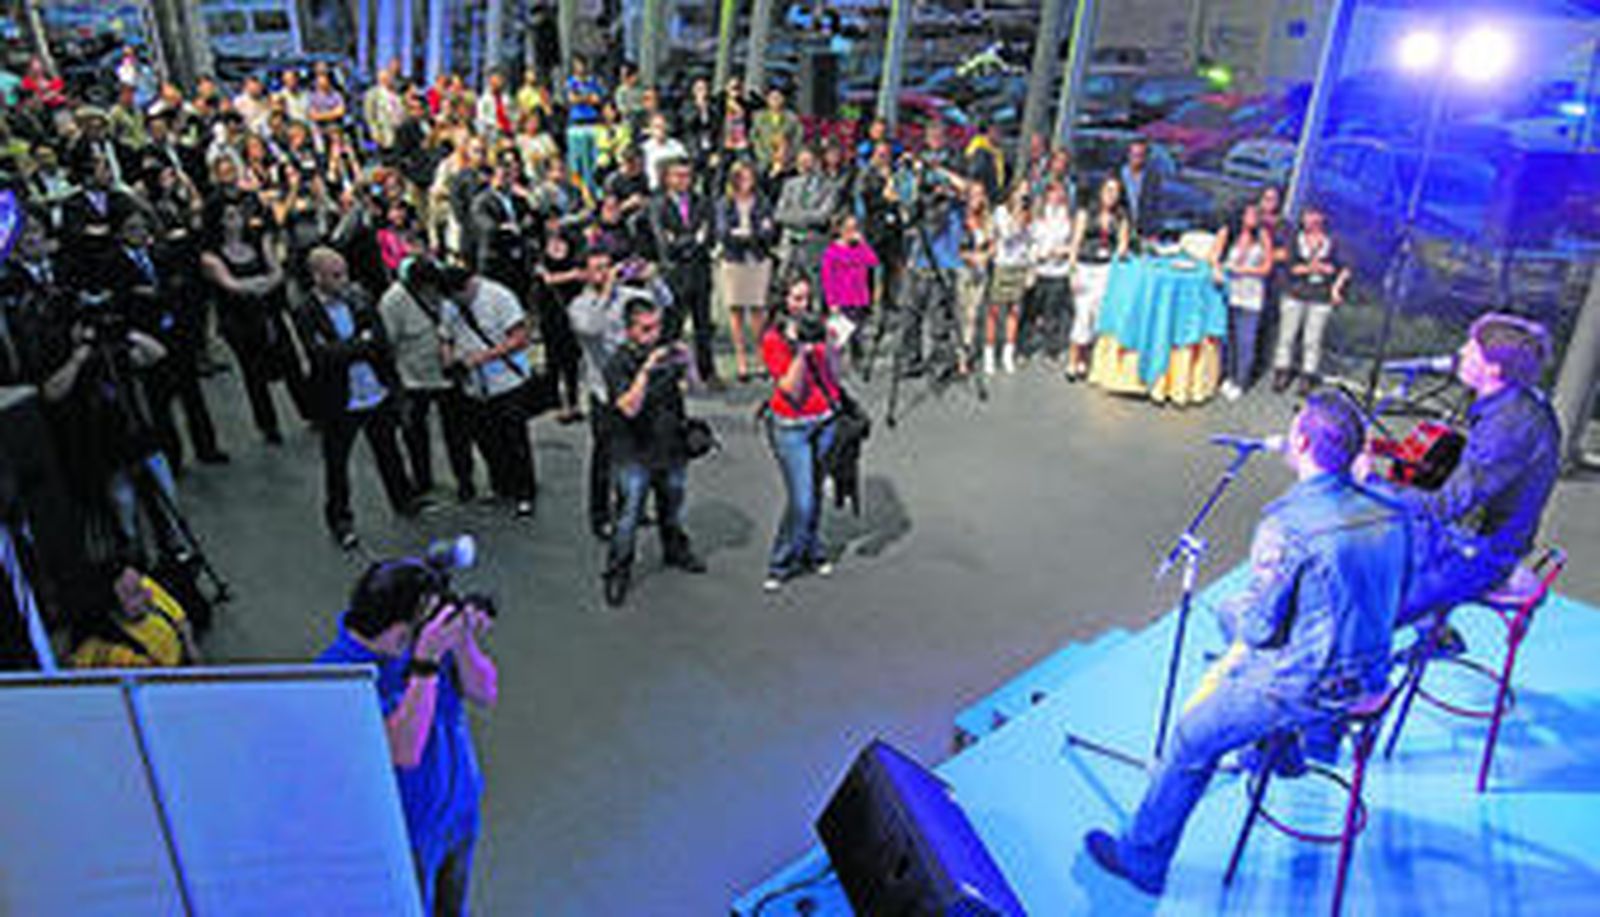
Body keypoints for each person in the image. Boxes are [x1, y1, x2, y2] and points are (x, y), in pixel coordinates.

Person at [1085, 389, 1411, 896]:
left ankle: (1142, 860)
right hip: (1370, 674)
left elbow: (1260, 628)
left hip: (1304, 686)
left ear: (1300, 442)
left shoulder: (1288, 523)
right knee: (1234, 622)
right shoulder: (1391, 509)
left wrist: (1242, 610)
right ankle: (1281, 751)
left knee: (1191, 738)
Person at [317, 559, 497, 916]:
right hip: (406, 836)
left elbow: (485, 691)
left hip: (458, 813)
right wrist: (426, 665)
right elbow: (403, 750)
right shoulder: (337, 678)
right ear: (401, 631)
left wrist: (461, 640)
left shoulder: (419, 640)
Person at [1387, 314, 1561, 628]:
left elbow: (1448, 506)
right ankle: (1431, 628)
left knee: (1371, 600)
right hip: (1483, 534)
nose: (1459, 354)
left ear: (1493, 370)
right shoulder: (1515, 403)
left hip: (1481, 551)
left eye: (1470, 349)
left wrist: (1369, 482)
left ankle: (1418, 630)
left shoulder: (1508, 425)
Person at [295, 248, 418, 549]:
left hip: (374, 390)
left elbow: (378, 340)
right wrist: (357, 345)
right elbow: (321, 356)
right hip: (339, 400)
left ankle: (402, 500)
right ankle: (340, 520)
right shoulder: (306, 311)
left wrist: (348, 348)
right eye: (336, 276)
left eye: (345, 273)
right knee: (337, 465)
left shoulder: (359, 297)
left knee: (389, 451)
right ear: (317, 277)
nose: (344, 281)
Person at [601, 297, 707, 607]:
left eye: (657, 327)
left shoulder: (668, 356)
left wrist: (688, 364)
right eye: (646, 329)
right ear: (629, 331)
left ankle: (675, 549)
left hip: (671, 445)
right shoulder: (618, 363)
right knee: (629, 514)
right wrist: (646, 371)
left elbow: (698, 389)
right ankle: (617, 571)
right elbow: (628, 408)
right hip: (633, 450)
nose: (654, 335)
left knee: (673, 503)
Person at [200, 196, 308, 445]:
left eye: (237, 214)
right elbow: (230, 284)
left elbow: (277, 272)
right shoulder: (210, 255)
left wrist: (257, 285)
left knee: (291, 361)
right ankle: (268, 426)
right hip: (238, 321)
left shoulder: (259, 239)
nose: (236, 220)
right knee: (254, 373)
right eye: (229, 216)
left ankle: (310, 410)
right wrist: (261, 283)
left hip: (268, 313)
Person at [760, 275, 842, 592]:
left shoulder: (816, 327)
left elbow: (834, 375)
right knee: (802, 500)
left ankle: (810, 550)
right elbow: (791, 390)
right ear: (782, 300)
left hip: (825, 419)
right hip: (790, 425)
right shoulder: (773, 338)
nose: (802, 305)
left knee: (815, 493)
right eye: (795, 298)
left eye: (806, 298)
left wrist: (832, 346)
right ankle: (781, 561)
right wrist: (801, 352)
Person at [439, 266, 539, 518]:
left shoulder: (499, 297)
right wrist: (449, 359)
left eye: (458, 297)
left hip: (506, 381)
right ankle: (502, 487)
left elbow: (520, 338)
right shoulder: (450, 303)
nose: (454, 303)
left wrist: (482, 358)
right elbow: (445, 337)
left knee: (515, 439)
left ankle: (525, 492)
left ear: (469, 285)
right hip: (473, 386)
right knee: (487, 439)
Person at [378, 257, 480, 503]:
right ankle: (422, 480)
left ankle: (465, 479)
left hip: (448, 375)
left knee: (458, 433)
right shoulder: (393, 302)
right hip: (413, 378)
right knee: (415, 434)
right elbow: (388, 344)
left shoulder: (444, 289)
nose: (433, 293)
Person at [567, 247, 638, 539]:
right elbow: (591, 328)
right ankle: (600, 516)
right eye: (597, 268)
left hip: (633, 388)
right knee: (605, 457)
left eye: (608, 267)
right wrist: (607, 292)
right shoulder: (580, 305)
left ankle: (630, 506)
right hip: (603, 391)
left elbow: (663, 304)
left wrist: (653, 280)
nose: (605, 273)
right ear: (585, 273)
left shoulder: (629, 296)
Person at [649, 158, 718, 384]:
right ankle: (671, 374)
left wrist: (682, 240)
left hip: (700, 271)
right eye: (678, 175)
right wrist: (692, 240)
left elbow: (710, 238)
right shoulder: (659, 205)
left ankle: (707, 372)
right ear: (667, 178)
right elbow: (664, 244)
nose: (683, 181)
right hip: (675, 273)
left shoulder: (703, 202)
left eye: (687, 175)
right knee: (672, 327)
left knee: (703, 326)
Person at [1270, 205, 1349, 395]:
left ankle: (1307, 375)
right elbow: (1290, 267)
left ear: (1322, 218)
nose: (1309, 220)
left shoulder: (1333, 242)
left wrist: (1336, 288)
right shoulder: (1295, 240)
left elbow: (1344, 268)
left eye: (1314, 215)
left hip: (1320, 297)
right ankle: (1282, 371)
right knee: (1287, 336)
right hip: (1294, 293)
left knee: (1312, 339)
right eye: (1306, 216)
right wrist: (1312, 268)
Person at [714, 160, 778, 382]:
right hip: (734, 261)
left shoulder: (762, 201)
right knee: (736, 311)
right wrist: (751, 235)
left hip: (758, 260)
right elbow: (723, 233)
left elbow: (769, 231)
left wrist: (748, 235)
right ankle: (741, 360)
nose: (746, 182)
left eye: (749, 178)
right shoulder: (725, 203)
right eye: (741, 178)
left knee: (759, 311)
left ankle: (761, 358)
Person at [70, 562, 202, 668]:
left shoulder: (144, 588)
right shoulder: (116, 652)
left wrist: (191, 648)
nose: (149, 594)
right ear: (113, 611)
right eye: (135, 594)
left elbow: (181, 620)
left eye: (141, 584)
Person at [1066, 177, 1130, 382]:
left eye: (1116, 192)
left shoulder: (1121, 217)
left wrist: (1120, 255)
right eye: (1108, 190)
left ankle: (1086, 360)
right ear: (1100, 191)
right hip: (1086, 267)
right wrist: (1072, 268)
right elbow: (1075, 241)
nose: (1112, 195)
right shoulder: (1086, 213)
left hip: (1106, 269)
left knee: (1097, 316)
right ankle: (1072, 361)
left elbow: (1122, 243)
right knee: (1082, 316)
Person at [1214, 202, 1275, 401]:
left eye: (1255, 214)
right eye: (1249, 213)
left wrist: (1245, 271)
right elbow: (1215, 256)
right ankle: (1229, 376)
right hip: (1229, 294)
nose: (1252, 217)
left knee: (1245, 342)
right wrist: (1218, 268)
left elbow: (1267, 267)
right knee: (1229, 340)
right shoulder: (1231, 234)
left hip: (1251, 298)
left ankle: (1241, 381)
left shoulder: (1263, 236)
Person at [819, 213, 879, 369]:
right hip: (843, 297)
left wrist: (863, 244)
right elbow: (827, 279)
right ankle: (837, 362)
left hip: (859, 297)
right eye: (848, 229)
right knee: (842, 333)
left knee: (858, 331)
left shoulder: (859, 248)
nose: (852, 232)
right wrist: (832, 301)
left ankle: (857, 360)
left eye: (855, 229)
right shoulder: (831, 252)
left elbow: (873, 261)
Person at [985, 184, 1033, 375]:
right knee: (994, 311)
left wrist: (1031, 267)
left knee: (1015, 311)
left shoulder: (1029, 213)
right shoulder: (1001, 212)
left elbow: (1030, 241)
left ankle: (1008, 353)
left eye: (1026, 193)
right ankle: (989, 353)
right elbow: (1007, 235)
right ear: (1012, 193)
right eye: (1020, 192)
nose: (1023, 197)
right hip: (1002, 265)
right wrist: (1016, 215)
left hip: (1019, 265)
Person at [1027, 180, 1076, 365]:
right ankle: (1027, 346)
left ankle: (1051, 350)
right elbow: (1030, 240)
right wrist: (1037, 254)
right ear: (1047, 194)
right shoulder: (1038, 215)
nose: (1056, 196)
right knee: (1033, 311)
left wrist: (1063, 251)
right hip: (1039, 269)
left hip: (1058, 271)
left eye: (1060, 192)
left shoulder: (1067, 217)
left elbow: (1073, 243)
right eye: (1053, 192)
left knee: (1054, 312)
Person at [1119, 139, 1164, 243]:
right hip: (1121, 231)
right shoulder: (1118, 175)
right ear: (1128, 155)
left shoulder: (1152, 177)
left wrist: (1154, 232)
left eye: (1140, 155)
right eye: (1134, 155)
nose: (1137, 159)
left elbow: (1157, 206)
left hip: (1145, 233)